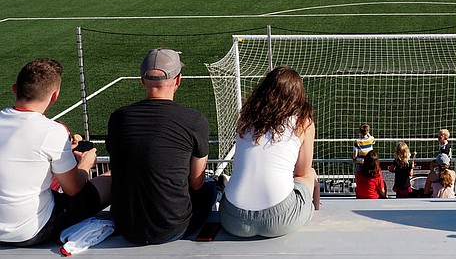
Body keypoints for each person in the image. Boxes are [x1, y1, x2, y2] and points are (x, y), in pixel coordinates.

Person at [107, 48, 215, 244]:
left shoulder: (118, 118)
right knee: (210, 187)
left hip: (125, 226)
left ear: (142, 81)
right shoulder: (195, 120)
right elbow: (196, 183)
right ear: (178, 80)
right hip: (171, 229)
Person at [0, 59, 111, 246]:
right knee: (112, 179)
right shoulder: (52, 131)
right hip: (29, 231)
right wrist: (85, 163)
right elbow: (73, 188)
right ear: (55, 95)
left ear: (14, 89)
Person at [219, 66, 320, 238]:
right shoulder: (303, 122)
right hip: (280, 220)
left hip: (232, 218)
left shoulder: (245, 118)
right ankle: (313, 209)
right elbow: (301, 172)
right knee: (310, 174)